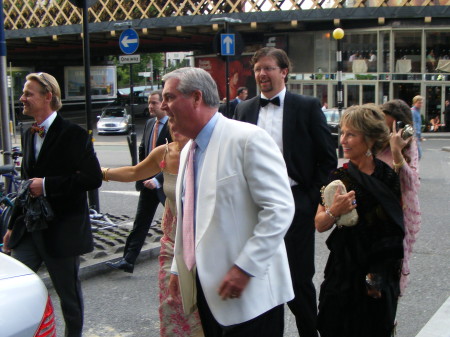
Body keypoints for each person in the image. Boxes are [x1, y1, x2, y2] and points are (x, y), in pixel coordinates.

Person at [164, 67, 295, 337]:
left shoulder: (248, 138)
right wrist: (179, 267)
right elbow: (188, 216)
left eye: (169, 97)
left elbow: (280, 209)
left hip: (252, 293)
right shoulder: (189, 148)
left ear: (196, 98)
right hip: (210, 292)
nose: (163, 106)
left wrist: (246, 266)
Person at [235, 47, 337, 337]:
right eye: (257, 69)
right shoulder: (243, 109)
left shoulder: (306, 106)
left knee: (298, 278)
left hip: (295, 203)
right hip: (253, 206)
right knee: (259, 274)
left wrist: (308, 201)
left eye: (268, 68)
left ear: (284, 72)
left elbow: (328, 159)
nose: (261, 74)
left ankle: (310, 333)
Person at [2, 72, 102, 337]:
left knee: (68, 297)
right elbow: (25, 186)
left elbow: (92, 178)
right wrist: (12, 226)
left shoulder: (74, 134)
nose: (22, 98)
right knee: (14, 285)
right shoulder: (27, 133)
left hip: (62, 232)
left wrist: (47, 185)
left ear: (48, 96)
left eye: (28, 93)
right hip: (30, 228)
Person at [101, 122, 203, 337]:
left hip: (201, 242)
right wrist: (102, 173)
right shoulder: (164, 152)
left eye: (178, 117)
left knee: (201, 312)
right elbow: (134, 172)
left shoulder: (204, 151)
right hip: (172, 241)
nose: (174, 124)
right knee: (172, 303)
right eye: (171, 119)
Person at [315, 104, 404, 337]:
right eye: (342, 133)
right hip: (342, 269)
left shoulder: (387, 177)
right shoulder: (337, 177)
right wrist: (334, 210)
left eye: (351, 134)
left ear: (370, 139)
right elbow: (320, 224)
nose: (343, 140)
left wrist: (377, 279)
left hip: (376, 271)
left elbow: (394, 231)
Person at [106, 90, 172, 273]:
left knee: (176, 223)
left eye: (154, 103)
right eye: (149, 103)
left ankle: (183, 261)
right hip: (146, 183)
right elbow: (143, 153)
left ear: (163, 104)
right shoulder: (150, 123)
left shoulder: (173, 126)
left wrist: (157, 179)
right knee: (141, 222)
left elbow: (174, 158)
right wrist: (141, 177)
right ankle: (128, 260)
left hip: (166, 184)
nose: (150, 106)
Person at [378, 99, 421, 295]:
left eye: (390, 127)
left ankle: (390, 316)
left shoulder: (407, 145)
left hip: (401, 214)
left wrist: (397, 151)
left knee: (395, 267)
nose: (387, 133)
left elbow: (412, 183)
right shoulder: (374, 142)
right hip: (375, 212)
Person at [411, 95, 423, 159]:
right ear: (414, 102)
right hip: (414, 136)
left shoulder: (417, 111)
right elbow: (414, 124)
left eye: (421, 102)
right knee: (418, 155)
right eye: (419, 102)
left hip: (417, 136)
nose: (421, 104)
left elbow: (418, 125)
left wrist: (420, 136)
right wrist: (415, 136)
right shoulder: (413, 111)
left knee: (417, 155)